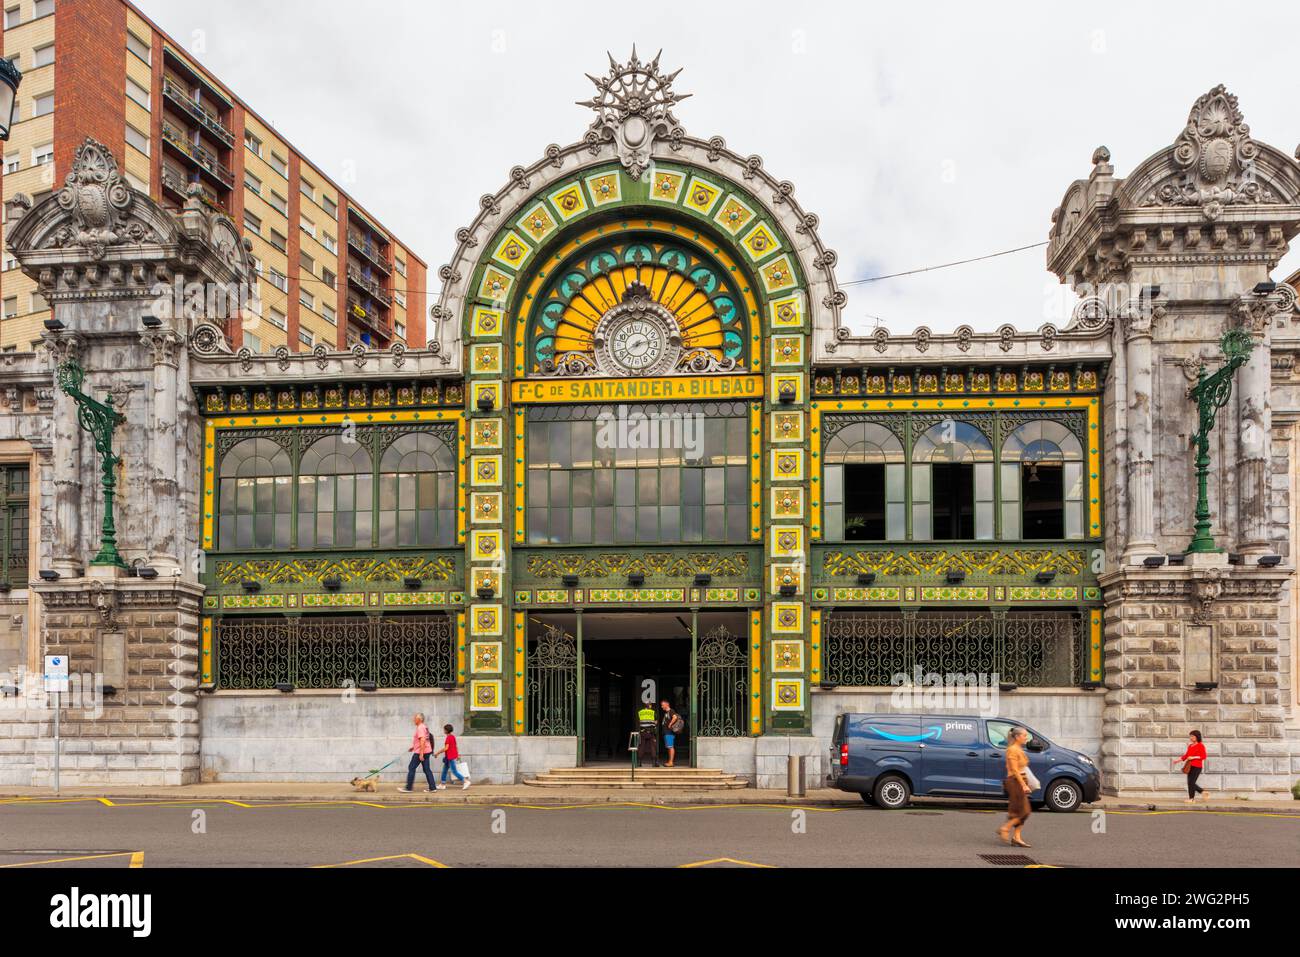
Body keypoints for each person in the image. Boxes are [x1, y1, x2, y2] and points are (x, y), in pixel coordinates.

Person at [997, 726, 1033, 848]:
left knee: (1021, 811)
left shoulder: (1019, 749)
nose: (1026, 737)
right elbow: (1014, 769)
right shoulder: (1012, 749)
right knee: (1024, 811)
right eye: (1024, 735)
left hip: (1020, 781)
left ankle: (1017, 838)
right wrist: (1023, 785)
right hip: (1014, 782)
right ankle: (1005, 828)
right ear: (1017, 737)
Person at [399, 712, 436, 793]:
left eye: (414, 718)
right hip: (427, 750)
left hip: (421, 752)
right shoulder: (424, 727)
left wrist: (421, 753)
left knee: (411, 767)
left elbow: (422, 740)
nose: (413, 720)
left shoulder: (420, 727)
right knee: (427, 769)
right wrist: (413, 747)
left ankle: (408, 788)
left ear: (419, 719)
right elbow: (425, 740)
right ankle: (433, 787)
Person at [1175, 729, 1208, 803]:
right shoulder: (1190, 746)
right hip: (1190, 766)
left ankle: (1197, 795)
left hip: (1197, 766)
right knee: (1190, 782)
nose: (1191, 738)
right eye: (1190, 736)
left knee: (1191, 782)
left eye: (1192, 736)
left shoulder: (1200, 745)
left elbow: (1203, 756)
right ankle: (1192, 798)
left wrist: (1193, 757)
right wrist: (1178, 760)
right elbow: (1186, 755)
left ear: (1197, 737)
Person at [434, 722, 471, 790]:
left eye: (444, 729)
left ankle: (465, 781)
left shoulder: (448, 738)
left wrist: (437, 753)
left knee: (454, 771)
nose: (443, 731)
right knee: (445, 770)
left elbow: (446, 748)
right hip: (449, 757)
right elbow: (455, 746)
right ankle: (442, 784)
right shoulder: (453, 737)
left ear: (446, 730)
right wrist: (457, 754)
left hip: (450, 757)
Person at [659, 699, 682, 768]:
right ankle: (669, 761)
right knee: (669, 747)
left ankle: (671, 762)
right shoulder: (666, 713)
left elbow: (675, 717)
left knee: (670, 747)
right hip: (666, 732)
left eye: (662, 705)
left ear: (667, 704)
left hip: (669, 732)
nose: (661, 706)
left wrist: (670, 724)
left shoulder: (671, 711)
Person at [636, 702, 659, 768]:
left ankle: (639, 762)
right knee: (653, 746)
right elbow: (656, 722)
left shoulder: (640, 712)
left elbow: (639, 721)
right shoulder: (653, 712)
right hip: (651, 731)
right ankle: (654, 763)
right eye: (651, 705)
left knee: (641, 746)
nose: (651, 706)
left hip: (643, 732)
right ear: (649, 705)